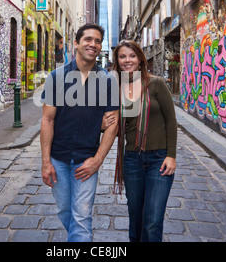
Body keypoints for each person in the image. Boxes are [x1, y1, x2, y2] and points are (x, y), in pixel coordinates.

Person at [40, 23, 119, 242]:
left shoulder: (107, 80)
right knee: (65, 211)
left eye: (97, 41)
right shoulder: (56, 77)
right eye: (88, 39)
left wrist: (98, 160)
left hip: (86, 161)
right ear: (76, 43)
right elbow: (47, 120)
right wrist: (46, 162)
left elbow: (113, 124)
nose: (93, 44)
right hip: (59, 159)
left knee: (82, 216)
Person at [105, 39, 177, 242]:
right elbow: (117, 126)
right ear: (117, 61)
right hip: (132, 160)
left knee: (153, 220)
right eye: (122, 56)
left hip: (159, 160)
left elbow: (171, 122)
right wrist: (104, 123)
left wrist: (171, 155)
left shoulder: (156, 84)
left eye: (132, 55)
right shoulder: (117, 88)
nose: (127, 60)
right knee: (135, 217)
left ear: (140, 59)